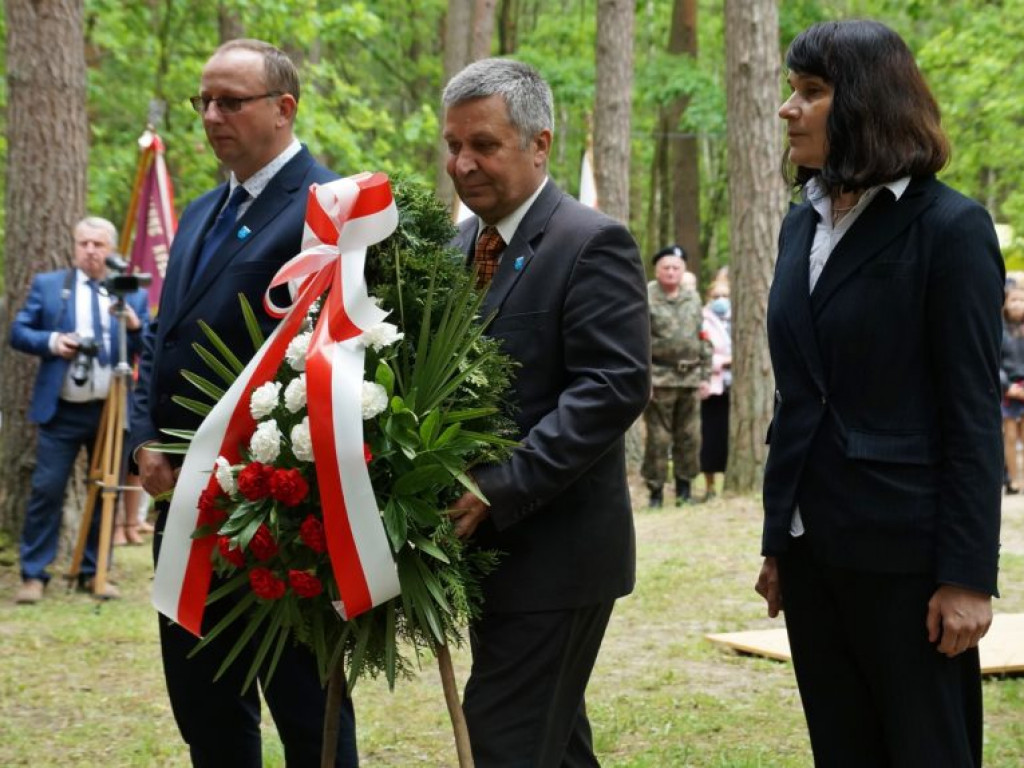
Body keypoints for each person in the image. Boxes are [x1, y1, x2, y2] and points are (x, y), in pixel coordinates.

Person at [756, 20, 1003, 767]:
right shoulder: (801, 224)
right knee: (843, 749)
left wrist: (966, 576)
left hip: (907, 559)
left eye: (811, 92)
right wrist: (777, 540)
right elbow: (798, 398)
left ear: (866, 102)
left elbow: (970, 416)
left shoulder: (951, 228)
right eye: (790, 91)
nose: (787, 109)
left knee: (928, 751)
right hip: (812, 549)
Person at [129, 39, 356, 767]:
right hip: (184, 509)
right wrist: (144, 440)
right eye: (205, 101)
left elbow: (337, 362)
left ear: (285, 109)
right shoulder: (200, 211)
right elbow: (162, 336)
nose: (212, 115)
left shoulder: (327, 209)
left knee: (305, 711)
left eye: (232, 100)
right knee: (207, 708)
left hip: (277, 514)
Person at [443, 58, 651, 767]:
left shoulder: (589, 242)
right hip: (489, 559)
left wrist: (496, 485)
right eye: (453, 146)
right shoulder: (455, 249)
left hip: (558, 555)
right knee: (552, 746)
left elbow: (613, 386)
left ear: (540, 144)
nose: (462, 164)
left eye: (484, 145)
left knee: (501, 739)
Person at [10, 216, 148, 604]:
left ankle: (95, 571)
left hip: (112, 408)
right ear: (74, 246)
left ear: (111, 250)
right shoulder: (51, 286)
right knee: (46, 489)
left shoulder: (129, 291)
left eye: (98, 245)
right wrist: (54, 341)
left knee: (106, 491)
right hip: (62, 410)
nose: (90, 250)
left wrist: (135, 325)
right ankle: (33, 575)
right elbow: (18, 332)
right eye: (83, 243)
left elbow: (148, 344)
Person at [641, 245, 711, 507]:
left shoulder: (693, 297)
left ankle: (685, 490)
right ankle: (655, 492)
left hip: (691, 377)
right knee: (659, 439)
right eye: (666, 268)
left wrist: (705, 375)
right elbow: (639, 341)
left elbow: (702, 337)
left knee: (690, 437)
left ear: (683, 271)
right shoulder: (646, 296)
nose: (671, 272)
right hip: (659, 378)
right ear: (657, 271)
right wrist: (643, 379)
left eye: (676, 268)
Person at [700, 279, 731, 500]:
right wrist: (725, 361)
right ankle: (710, 487)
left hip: (734, 387)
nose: (721, 300)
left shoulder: (738, 319)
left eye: (725, 295)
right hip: (713, 388)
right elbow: (701, 352)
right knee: (711, 437)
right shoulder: (703, 320)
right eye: (716, 296)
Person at [1000, 285, 1024, 494]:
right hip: (1008, 388)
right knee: (1009, 436)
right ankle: (1013, 480)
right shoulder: (999, 329)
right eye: (1013, 299)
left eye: (1021, 299)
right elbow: (994, 362)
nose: (1018, 303)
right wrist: (1008, 386)